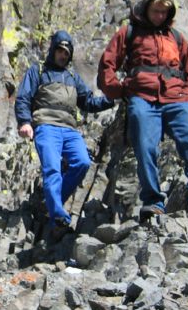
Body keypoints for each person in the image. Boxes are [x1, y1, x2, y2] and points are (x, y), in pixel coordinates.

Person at [97, 0, 188, 221]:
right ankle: (153, 201)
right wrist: (121, 90)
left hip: (177, 99)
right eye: (155, 11)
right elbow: (107, 65)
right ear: (146, 8)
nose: (159, 16)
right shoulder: (129, 33)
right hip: (143, 99)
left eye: (163, 12)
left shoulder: (176, 38)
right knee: (145, 147)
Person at [15, 30, 115, 232]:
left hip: (69, 130)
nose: (63, 55)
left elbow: (88, 102)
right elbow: (23, 98)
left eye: (66, 53)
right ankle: (57, 214)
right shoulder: (38, 71)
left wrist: (112, 99)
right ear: (53, 50)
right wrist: (25, 122)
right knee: (52, 168)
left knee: (83, 162)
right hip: (45, 127)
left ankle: (53, 202)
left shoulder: (72, 77)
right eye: (60, 50)